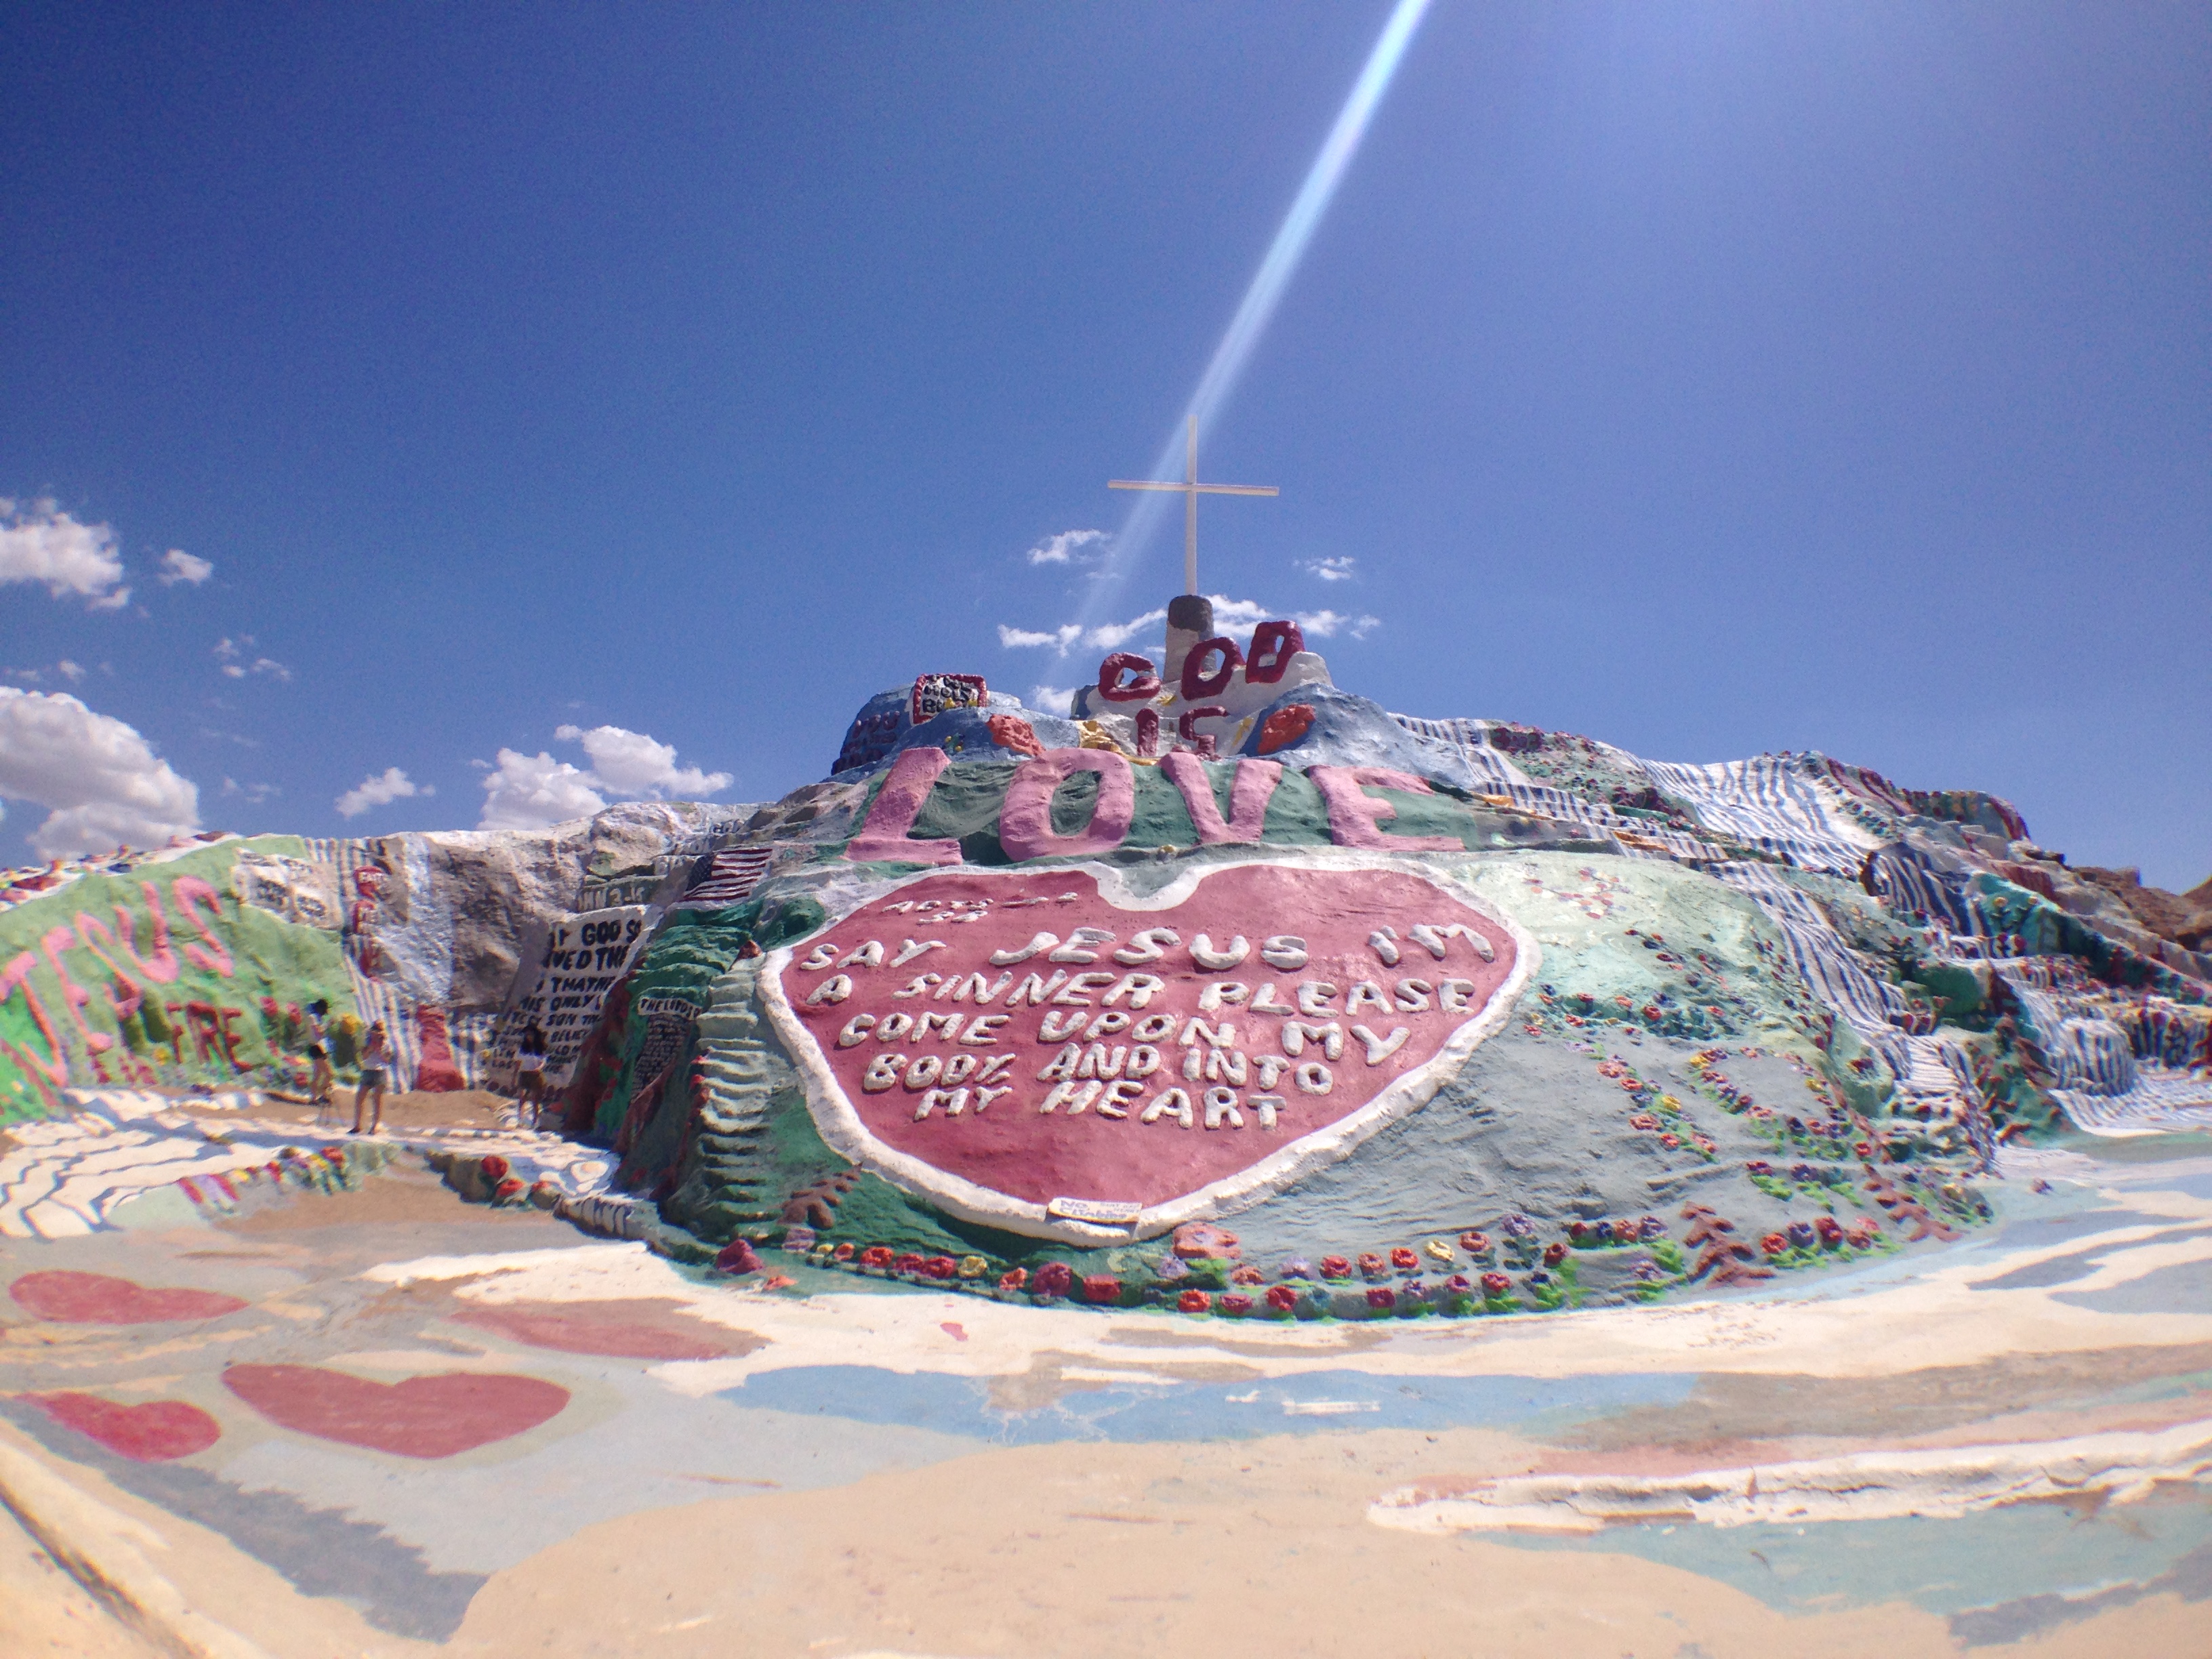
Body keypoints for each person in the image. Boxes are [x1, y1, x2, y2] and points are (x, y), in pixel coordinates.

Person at [351, 1020, 390, 1135]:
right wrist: (371, 1048)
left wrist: (379, 1049)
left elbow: (387, 1061)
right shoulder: (367, 1042)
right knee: (360, 1097)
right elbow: (364, 1057)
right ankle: (357, 1125)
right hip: (368, 1070)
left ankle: (375, 1126)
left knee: (377, 1099)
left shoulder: (386, 1044)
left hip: (379, 1072)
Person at [513, 1023, 548, 1129]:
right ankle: (520, 1120)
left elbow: (543, 1062)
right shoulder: (522, 1049)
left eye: (531, 1035)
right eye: (527, 1035)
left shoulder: (541, 1049)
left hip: (536, 1075)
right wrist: (514, 1077)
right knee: (522, 1097)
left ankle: (535, 1121)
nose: (529, 1037)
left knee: (535, 1099)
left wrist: (539, 1068)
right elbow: (518, 1063)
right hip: (524, 1074)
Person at [304, 999, 335, 1121]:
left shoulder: (314, 1017)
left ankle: (314, 1098)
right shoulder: (313, 1018)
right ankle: (323, 1095)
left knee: (317, 1074)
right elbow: (319, 1033)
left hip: (319, 1047)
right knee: (329, 1074)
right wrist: (328, 1024)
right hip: (316, 1048)